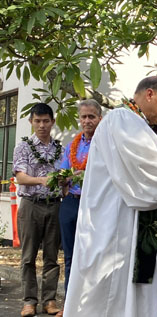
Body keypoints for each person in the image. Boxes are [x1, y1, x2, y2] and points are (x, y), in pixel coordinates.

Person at [63, 77, 157, 317]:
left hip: (135, 221)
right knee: (112, 294)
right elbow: (146, 168)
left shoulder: (135, 123)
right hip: (115, 224)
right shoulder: (122, 120)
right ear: (150, 94)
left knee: (135, 290)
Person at [14, 103, 64, 317]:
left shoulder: (60, 149)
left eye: (46, 121)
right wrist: (42, 180)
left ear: (52, 122)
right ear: (31, 122)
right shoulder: (23, 147)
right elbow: (20, 176)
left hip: (54, 206)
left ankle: (49, 300)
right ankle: (29, 301)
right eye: (37, 121)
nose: (42, 125)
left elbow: (65, 176)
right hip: (30, 206)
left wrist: (65, 180)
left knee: (52, 257)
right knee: (28, 257)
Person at [58, 99, 103, 300]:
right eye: (83, 117)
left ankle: (91, 304)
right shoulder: (72, 146)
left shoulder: (104, 143)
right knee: (70, 255)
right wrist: (66, 181)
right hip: (72, 202)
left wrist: (76, 175)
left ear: (100, 119)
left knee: (93, 255)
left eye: (91, 116)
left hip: (94, 204)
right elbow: (64, 173)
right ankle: (70, 303)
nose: (87, 121)